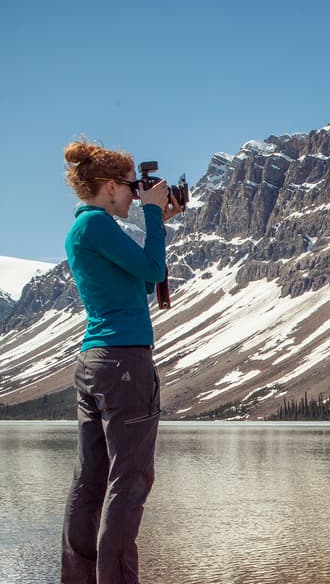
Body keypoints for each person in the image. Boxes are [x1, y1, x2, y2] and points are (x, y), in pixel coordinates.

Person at [60, 140, 179, 583]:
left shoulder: (85, 230)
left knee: (90, 480)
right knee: (128, 482)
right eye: (131, 187)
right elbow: (153, 272)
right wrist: (152, 213)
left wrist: (157, 222)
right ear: (109, 186)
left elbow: (141, 287)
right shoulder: (97, 225)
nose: (135, 194)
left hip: (95, 361)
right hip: (125, 362)